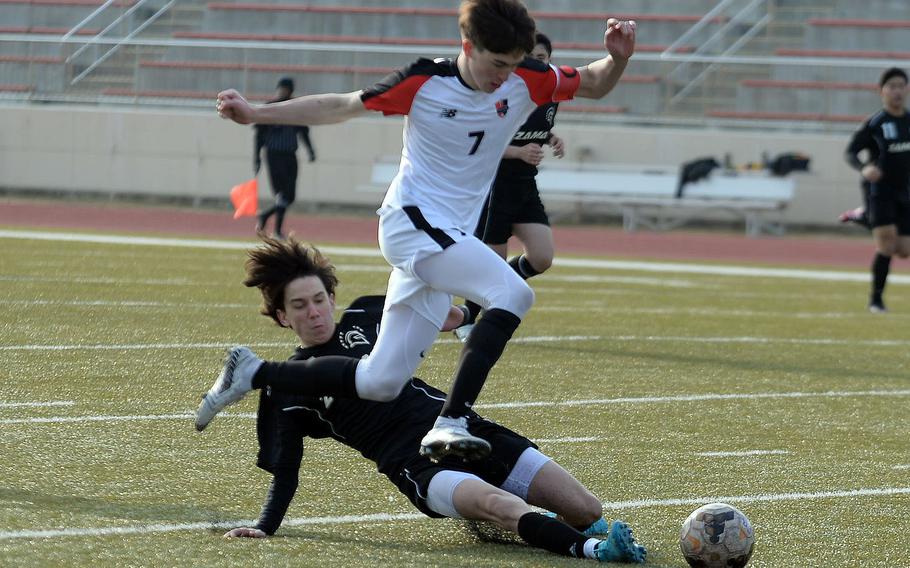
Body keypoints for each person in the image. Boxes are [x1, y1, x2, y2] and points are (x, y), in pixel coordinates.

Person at [202, 0, 637, 462]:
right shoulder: (424, 81)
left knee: (380, 381)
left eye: (512, 65)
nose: (504, 77)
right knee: (514, 294)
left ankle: (253, 372)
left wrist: (619, 57)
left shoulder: (526, 76)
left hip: (445, 238)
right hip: (411, 222)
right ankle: (451, 420)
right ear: (468, 46)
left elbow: (593, 82)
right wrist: (255, 113)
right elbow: (340, 106)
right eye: (496, 64)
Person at [210, 236, 646, 564]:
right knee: (505, 506)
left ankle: (515, 526)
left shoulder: (367, 312)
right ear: (283, 316)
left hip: (461, 428)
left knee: (586, 507)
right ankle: (593, 551)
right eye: (300, 305)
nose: (315, 311)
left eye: (320, 299)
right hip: (413, 464)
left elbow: (456, 314)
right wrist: (264, 526)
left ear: (333, 298)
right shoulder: (286, 386)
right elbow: (286, 470)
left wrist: (511, 274)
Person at [455, 32, 565, 341]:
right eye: (529, 58)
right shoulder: (501, 92)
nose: (535, 64)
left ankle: (503, 285)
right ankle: (467, 319)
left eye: (541, 59)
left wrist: (551, 139)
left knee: (542, 257)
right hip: (496, 186)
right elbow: (480, 140)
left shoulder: (549, 95)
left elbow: (538, 130)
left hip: (525, 187)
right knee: (491, 262)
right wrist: (518, 152)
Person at [844, 67, 910, 313]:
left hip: (904, 191)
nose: (897, 91)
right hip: (879, 191)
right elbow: (850, 152)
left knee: (903, 251)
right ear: (882, 91)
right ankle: (876, 301)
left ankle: (863, 217)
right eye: (891, 86)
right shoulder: (876, 123)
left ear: (907, 89)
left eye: (900, 86)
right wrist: (864, 168)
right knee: (886, 245)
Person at [254, 77, 317, 239]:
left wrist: (310, 150)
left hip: (290, 155)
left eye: (285, 89)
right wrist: (256, 158)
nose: (282, 92)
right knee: (282, 194)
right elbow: (259, 135)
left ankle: (266, 216)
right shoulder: (269, 108)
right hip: (274, 155)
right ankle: (277, 230)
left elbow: (303, 131)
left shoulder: (296, 109)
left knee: (290, 195)